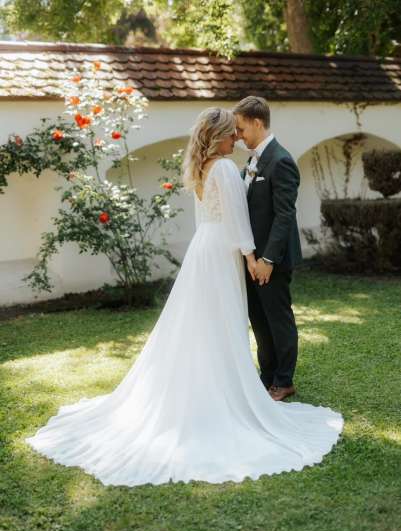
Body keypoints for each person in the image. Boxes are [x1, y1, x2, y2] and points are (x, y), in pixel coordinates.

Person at [26, 107, 343, 487]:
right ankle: (227, 389)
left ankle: (220, 383)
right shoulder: (225, 167)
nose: (236, 138)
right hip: (224, 252)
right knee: (222, 320)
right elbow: (238, 220)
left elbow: (206, 218)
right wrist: (250, 257)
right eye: (232, 133)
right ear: (220, 136)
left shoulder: (200, 166)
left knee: (202, 320)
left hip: (204, 248)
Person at [234, 96, 303, 402]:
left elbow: (284, 215)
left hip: (272, 260)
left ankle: (284, 380)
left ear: (257, 122)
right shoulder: (252, 161)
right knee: (259, 320)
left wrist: (268, 259)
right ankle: (268, 375)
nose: (238, 135)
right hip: (252, 260)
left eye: (241, 128)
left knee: (278, 319)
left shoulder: (281, 160)